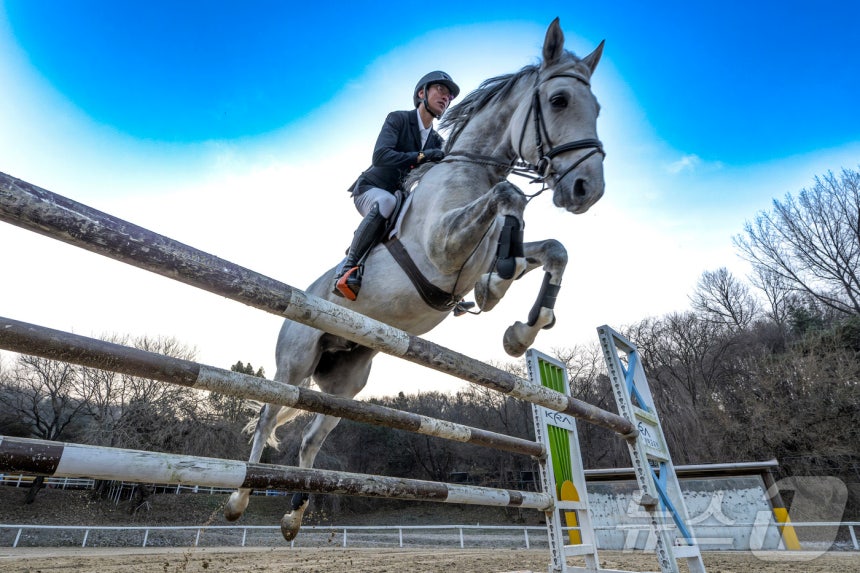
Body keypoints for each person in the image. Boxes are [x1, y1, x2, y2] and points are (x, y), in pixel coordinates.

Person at [332, 71, 460, 300]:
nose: (446, 98)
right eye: (441, 90)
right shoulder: (398, 119)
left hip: (401, 197)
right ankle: (348, 267)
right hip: (370, 188)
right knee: (386, 201)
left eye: (449, 96)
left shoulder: (438, 141)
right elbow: (381, 156)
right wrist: (422, 156)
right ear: (422, 93)